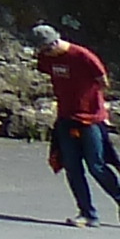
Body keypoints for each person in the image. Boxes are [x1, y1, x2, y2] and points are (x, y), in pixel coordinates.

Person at [30, 25, 113, 225]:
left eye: (47, 49)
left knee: (97, 165)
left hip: (90, 119)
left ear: (55, 42)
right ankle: (87, 213)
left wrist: (94, 105)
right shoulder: (47, 58)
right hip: (66, 118)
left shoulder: (83, 56)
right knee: (72, 167)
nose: (45, 54)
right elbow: (45, 69)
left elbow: (103, 82)